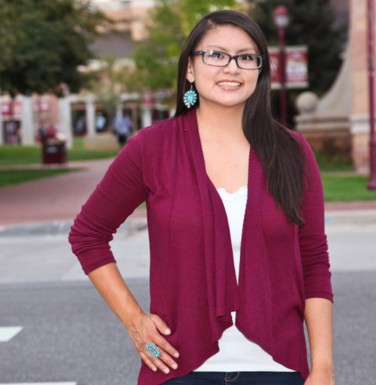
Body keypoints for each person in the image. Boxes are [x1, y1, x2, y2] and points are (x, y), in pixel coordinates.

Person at [69, 10, 334, 385]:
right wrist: (134, 321)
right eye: (215, 55)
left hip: (278, 372)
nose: (231, 67)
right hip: (179, 372)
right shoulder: (153, 148)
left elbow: (313, 261)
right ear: (190, 69)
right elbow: (87, 235)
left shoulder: (292, 151)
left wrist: (322, 366)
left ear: (259, 71)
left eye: (246, 57)